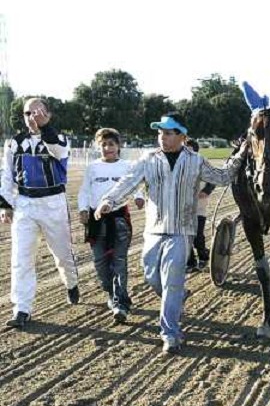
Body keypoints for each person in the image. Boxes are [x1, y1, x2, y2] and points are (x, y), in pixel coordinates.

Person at [94, 113, 246, 354]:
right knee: (151, 277)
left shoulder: (196, 161)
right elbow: (127, 182)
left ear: (182, 136)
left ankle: (170, 334)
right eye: (160, 132)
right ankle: (176, 297)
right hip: (153, 231)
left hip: (181, 231)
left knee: (172, 281)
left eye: (168, 132)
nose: (162, 137)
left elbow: (222, 177)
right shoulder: (148, 159)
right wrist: (108, 201)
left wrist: (239, 156)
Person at [1, 98, 79, 329]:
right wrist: (5, 205)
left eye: (38, 112)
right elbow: (6, 175)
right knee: (21, 258)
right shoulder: (14, 143)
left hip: (53, 202)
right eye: (28, 113)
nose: (32, 116)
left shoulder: (59, 139)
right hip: (25, 203)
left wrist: (44, 129)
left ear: (48, 114)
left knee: (62, 254)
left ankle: (71, 283)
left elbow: (57, 150)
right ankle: (22, 308)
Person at [78, 128, 145, 323]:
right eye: (103, 145)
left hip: (119, 220)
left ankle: (120, 304)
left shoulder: (127, 166)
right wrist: (83, 209)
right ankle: (112, 292)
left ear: (118, 146)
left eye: (111, 144)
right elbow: (84, 191)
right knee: (100, 263)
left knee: (119, 261)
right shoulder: (92, 167)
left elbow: (135, 186)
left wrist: (139, 197)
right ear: (98, 147)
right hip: (96, 220)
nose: (107, 148)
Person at [184, 138, 215, 272]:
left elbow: (212, 180)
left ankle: (203, 257)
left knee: (197, 236)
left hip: (199, 208)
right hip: (183, 208)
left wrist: (205, 191)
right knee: (185, 237)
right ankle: (190, 262)